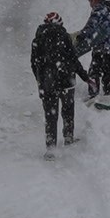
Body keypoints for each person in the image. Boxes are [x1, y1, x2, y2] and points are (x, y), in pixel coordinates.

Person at [31, 11, 89, 157]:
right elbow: (73, 59)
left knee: (51, 115)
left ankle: (51, 149)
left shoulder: (37, 39)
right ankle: (68, 137)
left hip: (48, 84)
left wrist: (41, 79)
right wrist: (85, 77)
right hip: (66, 81)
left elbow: (34, 63)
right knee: (68, 110)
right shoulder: (64, 36)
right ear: (60, 23)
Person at [74, 0, 110, 101]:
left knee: (93, 73)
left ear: (96, 0)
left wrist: (82, 36)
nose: (90, 3)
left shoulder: (99, 10)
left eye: (90, 0)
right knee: (108, 74)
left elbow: (91, 25)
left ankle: (93, 97)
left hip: (105, 49)